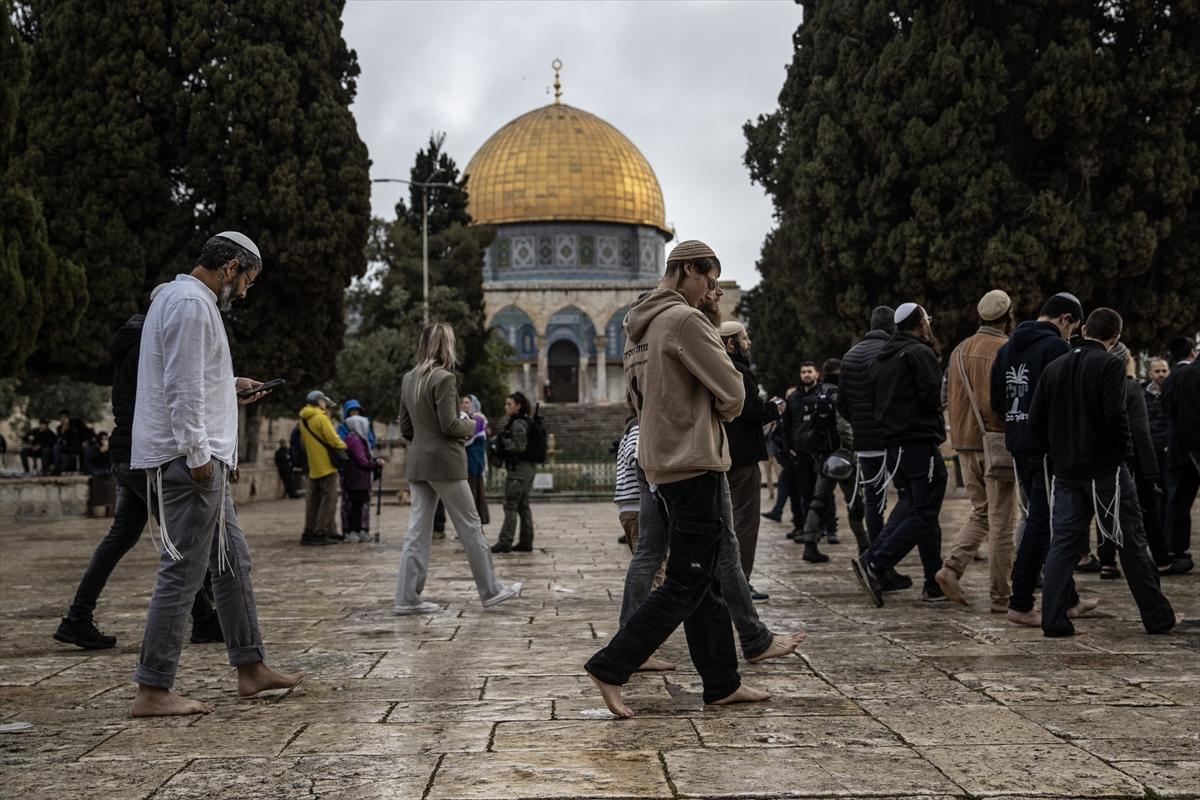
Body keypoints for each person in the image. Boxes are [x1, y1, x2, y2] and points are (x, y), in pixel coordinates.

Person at [585, 239, 768, 719]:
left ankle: (722, 683)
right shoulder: (685, 322)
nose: (712, 291)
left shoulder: (637, 328)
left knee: (703, 579)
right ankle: (612, 665)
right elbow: (734, 392)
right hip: (694, 462)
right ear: (688, 269)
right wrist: (717, 409)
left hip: (659, 465)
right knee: (686, 580)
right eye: (709, 280)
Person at [129, 231, 302, 716]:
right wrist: (199, 454)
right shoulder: (188, 304)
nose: (245, 292)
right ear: (229, 268)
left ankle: (251, 666)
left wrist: (230, 388)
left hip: (205, 458)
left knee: (232, 563)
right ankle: (152, 688)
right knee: (183, 571)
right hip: (190, 464)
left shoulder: (183, 300)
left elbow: (195, 381)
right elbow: (181, 388)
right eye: (246, 280)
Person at [54, 302, 221, 651]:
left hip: (124, 452)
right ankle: (204, 620)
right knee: (182, 538)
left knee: (122, 536)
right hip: (148, 453)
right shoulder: (153, 343)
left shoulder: (130, 341)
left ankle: (77, 618)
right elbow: (174, 396)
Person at [1029, 308, 1178, 637]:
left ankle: (1053, 619)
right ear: (1116, 338)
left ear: (1083, 329)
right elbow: (1116, 414)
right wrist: (1125, 454)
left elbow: (1036, 419)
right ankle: (1157, 616)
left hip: (1066, 470)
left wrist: (1057, 450)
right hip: (1104, 470)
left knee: (1064, 544)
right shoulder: (1110, 365)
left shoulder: (1054, 367)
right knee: (1130, 540)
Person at [394, 322, 521, 614]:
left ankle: (406, 598)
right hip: (446, 463)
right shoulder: (444, 379)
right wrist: (471, 422)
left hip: (419, 462)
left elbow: (405, 426)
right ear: (445, 346)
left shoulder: (409, 379)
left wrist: (425, 442)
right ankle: (490, 591)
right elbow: (450, 425)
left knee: (417, 530)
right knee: (470, 526)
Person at [990, 292, 1088, 626]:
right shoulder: (1056, 349)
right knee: (1043, 523)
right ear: (1065, 319)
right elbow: (1067, 401)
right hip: (1046, 446)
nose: (1070, 335)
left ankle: (1069, 597)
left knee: (1040, 517)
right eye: (1072, 329)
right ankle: (1020, 602)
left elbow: (997, 401)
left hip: (1018, 442)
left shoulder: (1005, 350)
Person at [852, 303, 947, 606]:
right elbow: (933, 398)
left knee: (911, 507)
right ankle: (876, 563)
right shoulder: (920, 354)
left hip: (893, 446)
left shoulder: (882, 359)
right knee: (925, 510)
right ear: (920, 322)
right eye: (927, 319)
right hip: (919, 443)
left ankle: (933, 583)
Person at [935, 290, 1017, 611]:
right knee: (1002, 520)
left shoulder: (958, 351)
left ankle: (951, 568)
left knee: (982, 511)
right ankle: (1001, 596)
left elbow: (945, 397)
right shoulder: (1006, 350)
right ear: (1008, 317)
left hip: (964, 444)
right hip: (996, 443)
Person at [837, 307, 912, 592]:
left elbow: (841, 402)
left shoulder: (850, 356)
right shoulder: (891, 352)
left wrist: (859, 423)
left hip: (864, 441)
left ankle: (877, 562)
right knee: (908, 497)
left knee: (873, 501)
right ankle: (879, 561)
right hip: (891, 438)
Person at [718, 320, 779, 596]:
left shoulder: (713, 369)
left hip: (720, 455)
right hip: (742, 459)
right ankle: (740, 583)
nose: (749, 342)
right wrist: (776, 408)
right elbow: (753, 411)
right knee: (745, 522)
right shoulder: (740, 371)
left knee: (725, 523)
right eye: (744, 338)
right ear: (730, 343)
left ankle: (723, 579)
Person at [1098, 343, 1169, 575]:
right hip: (1131, 458)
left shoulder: (1098, 385)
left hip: (1103, 457)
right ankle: (1161, 559)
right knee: (1146, 509)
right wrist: (1152, 469)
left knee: (1106, 509)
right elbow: (1141, 430)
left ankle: (1107, 561)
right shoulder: (1131, 388)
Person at [781, 362, 834, 562]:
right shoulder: (794, 398)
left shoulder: (823, 395)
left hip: (820, 453)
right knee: (805, 492)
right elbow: (786, 425)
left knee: (822, 493)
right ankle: (807, 528)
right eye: (803, 372)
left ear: (817, 374)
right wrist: (789, 448)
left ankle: (829, 528)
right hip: (800, 454)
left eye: (809, 371)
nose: (806, 375)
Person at [1161, 337, 1199, 575]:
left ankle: (1175, 547)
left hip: (1178, 445)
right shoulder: (1187, 375)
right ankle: (1175, 547)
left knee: (1179, 500)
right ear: (1192, 352)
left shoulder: (1174, 377)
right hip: (1187, 444)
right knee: (1178, 500)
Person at [298, 390, 347, 546]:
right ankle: (321, 532)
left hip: (313, 465)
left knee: (314, 501)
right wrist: (343, 445)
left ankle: (310, 531)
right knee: (329, 500)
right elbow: (333, 439)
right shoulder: (320, 417)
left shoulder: (303, 419)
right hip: (326, 465)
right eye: (324, 401)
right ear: (319, 402)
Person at [491, 392, 537, 553]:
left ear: (518, 406)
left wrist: (503, 441)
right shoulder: (522, 421)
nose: (506, 407)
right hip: (526, 468)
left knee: (510, 505)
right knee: (523, 505)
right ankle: (526, 540)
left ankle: (505, 541)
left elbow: (520, 446)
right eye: (506, 404)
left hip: (519, 469)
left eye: (509, 404)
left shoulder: (518, 424)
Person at [341, 414, 381, 543]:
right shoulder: (355, 441)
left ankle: (357, 531)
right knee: (356, 506)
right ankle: (354, 531)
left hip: (356, 479)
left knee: (356, 505)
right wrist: (375, 464)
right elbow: (362, 461)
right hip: (357, 479)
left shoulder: (352, 438)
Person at [461, 394, 491, 530]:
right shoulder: (468, 418)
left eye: (467, 402)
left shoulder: (478, 418)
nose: (464, 405)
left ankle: (473, 525)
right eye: (463, 402)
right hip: (470, 461)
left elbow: (468, 438)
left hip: (474, 462)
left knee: (473, 493)